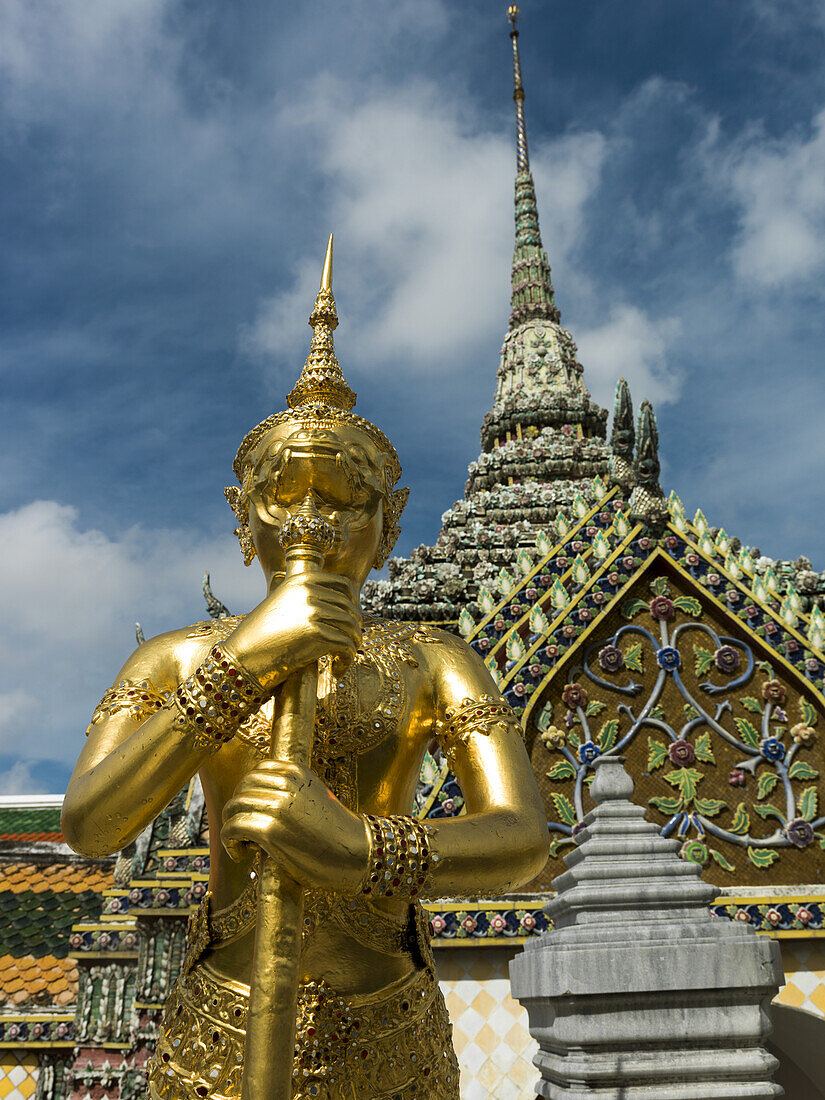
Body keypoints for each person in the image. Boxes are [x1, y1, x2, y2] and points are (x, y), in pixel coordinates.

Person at [62, 238, 549, 1100]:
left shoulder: (434, 659)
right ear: (240, 517)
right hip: (221, 1018)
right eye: (282, 495)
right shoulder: (178, 658)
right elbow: (93, 825)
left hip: (389, 1025)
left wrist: (357, 847)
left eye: (343, 498)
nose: (311, 521)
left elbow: (519, 838)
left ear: (389, 523)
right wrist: (243, 663)